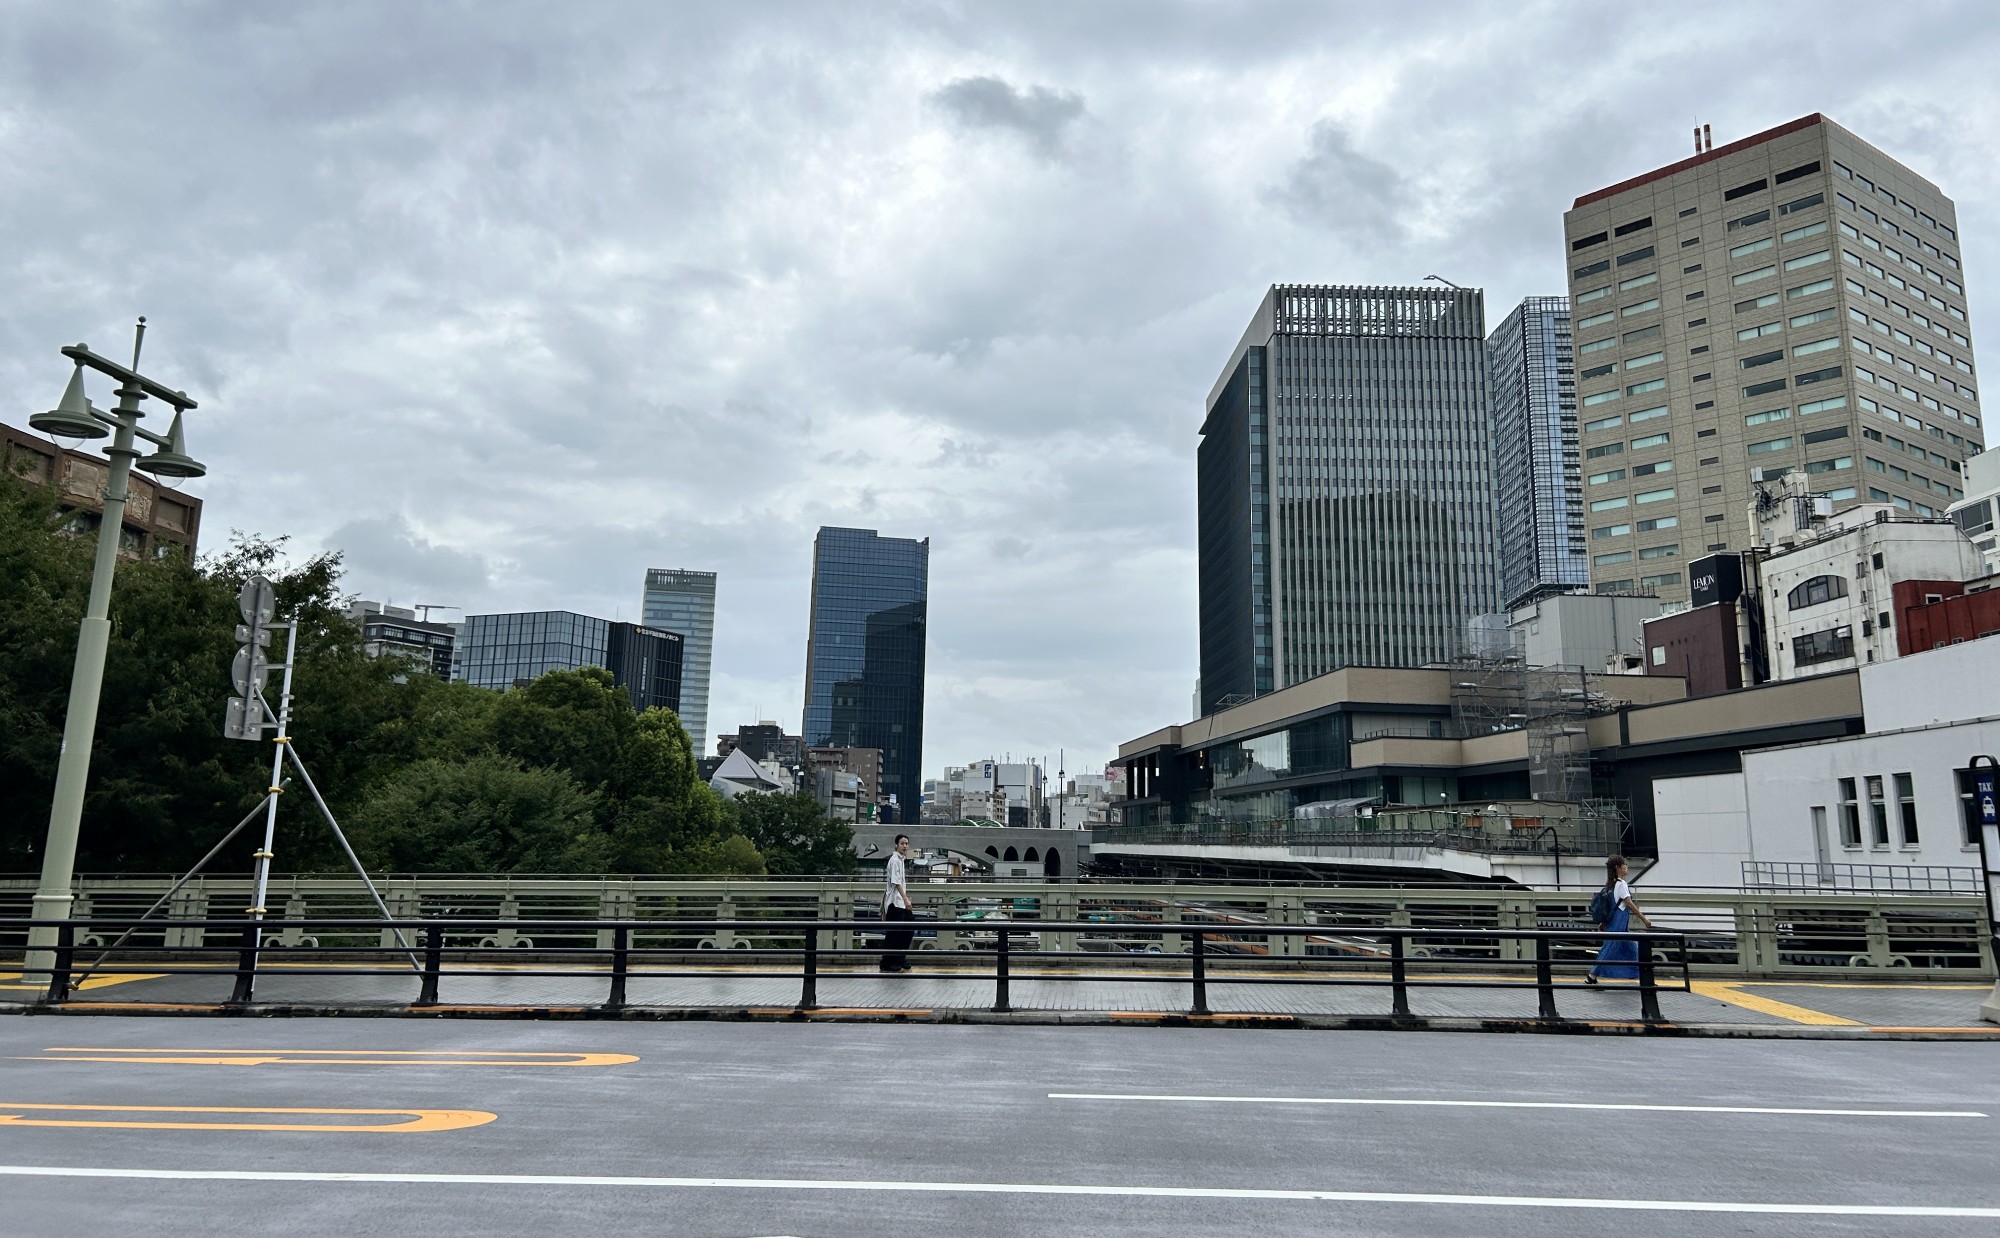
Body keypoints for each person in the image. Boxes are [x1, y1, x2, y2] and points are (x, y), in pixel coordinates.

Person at [1587, 854, 1653, 984]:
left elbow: (1611, 904)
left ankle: (1645, 975)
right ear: (1618, 867)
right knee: (1611, 947)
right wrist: (1643, 919)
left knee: (1632, 948)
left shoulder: (1611, 884)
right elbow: (1629, 903)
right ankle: (1592, 975)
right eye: (1624, 865)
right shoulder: (1621, 884)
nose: (1627, 867)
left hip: (1615, 922)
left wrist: (1603, 922)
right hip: (1619, 922)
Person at [880, 834, 915, 973]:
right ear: (896, 845)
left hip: (900, 902)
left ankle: (899, 959)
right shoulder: (895, 860)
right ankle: (888, 963)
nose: (905, 846)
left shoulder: (900, 860)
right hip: (895, 903)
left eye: (906, 843)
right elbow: (896, 882)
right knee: (894, 935)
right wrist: (906, 899)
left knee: (906, 931)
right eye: (902, 843)